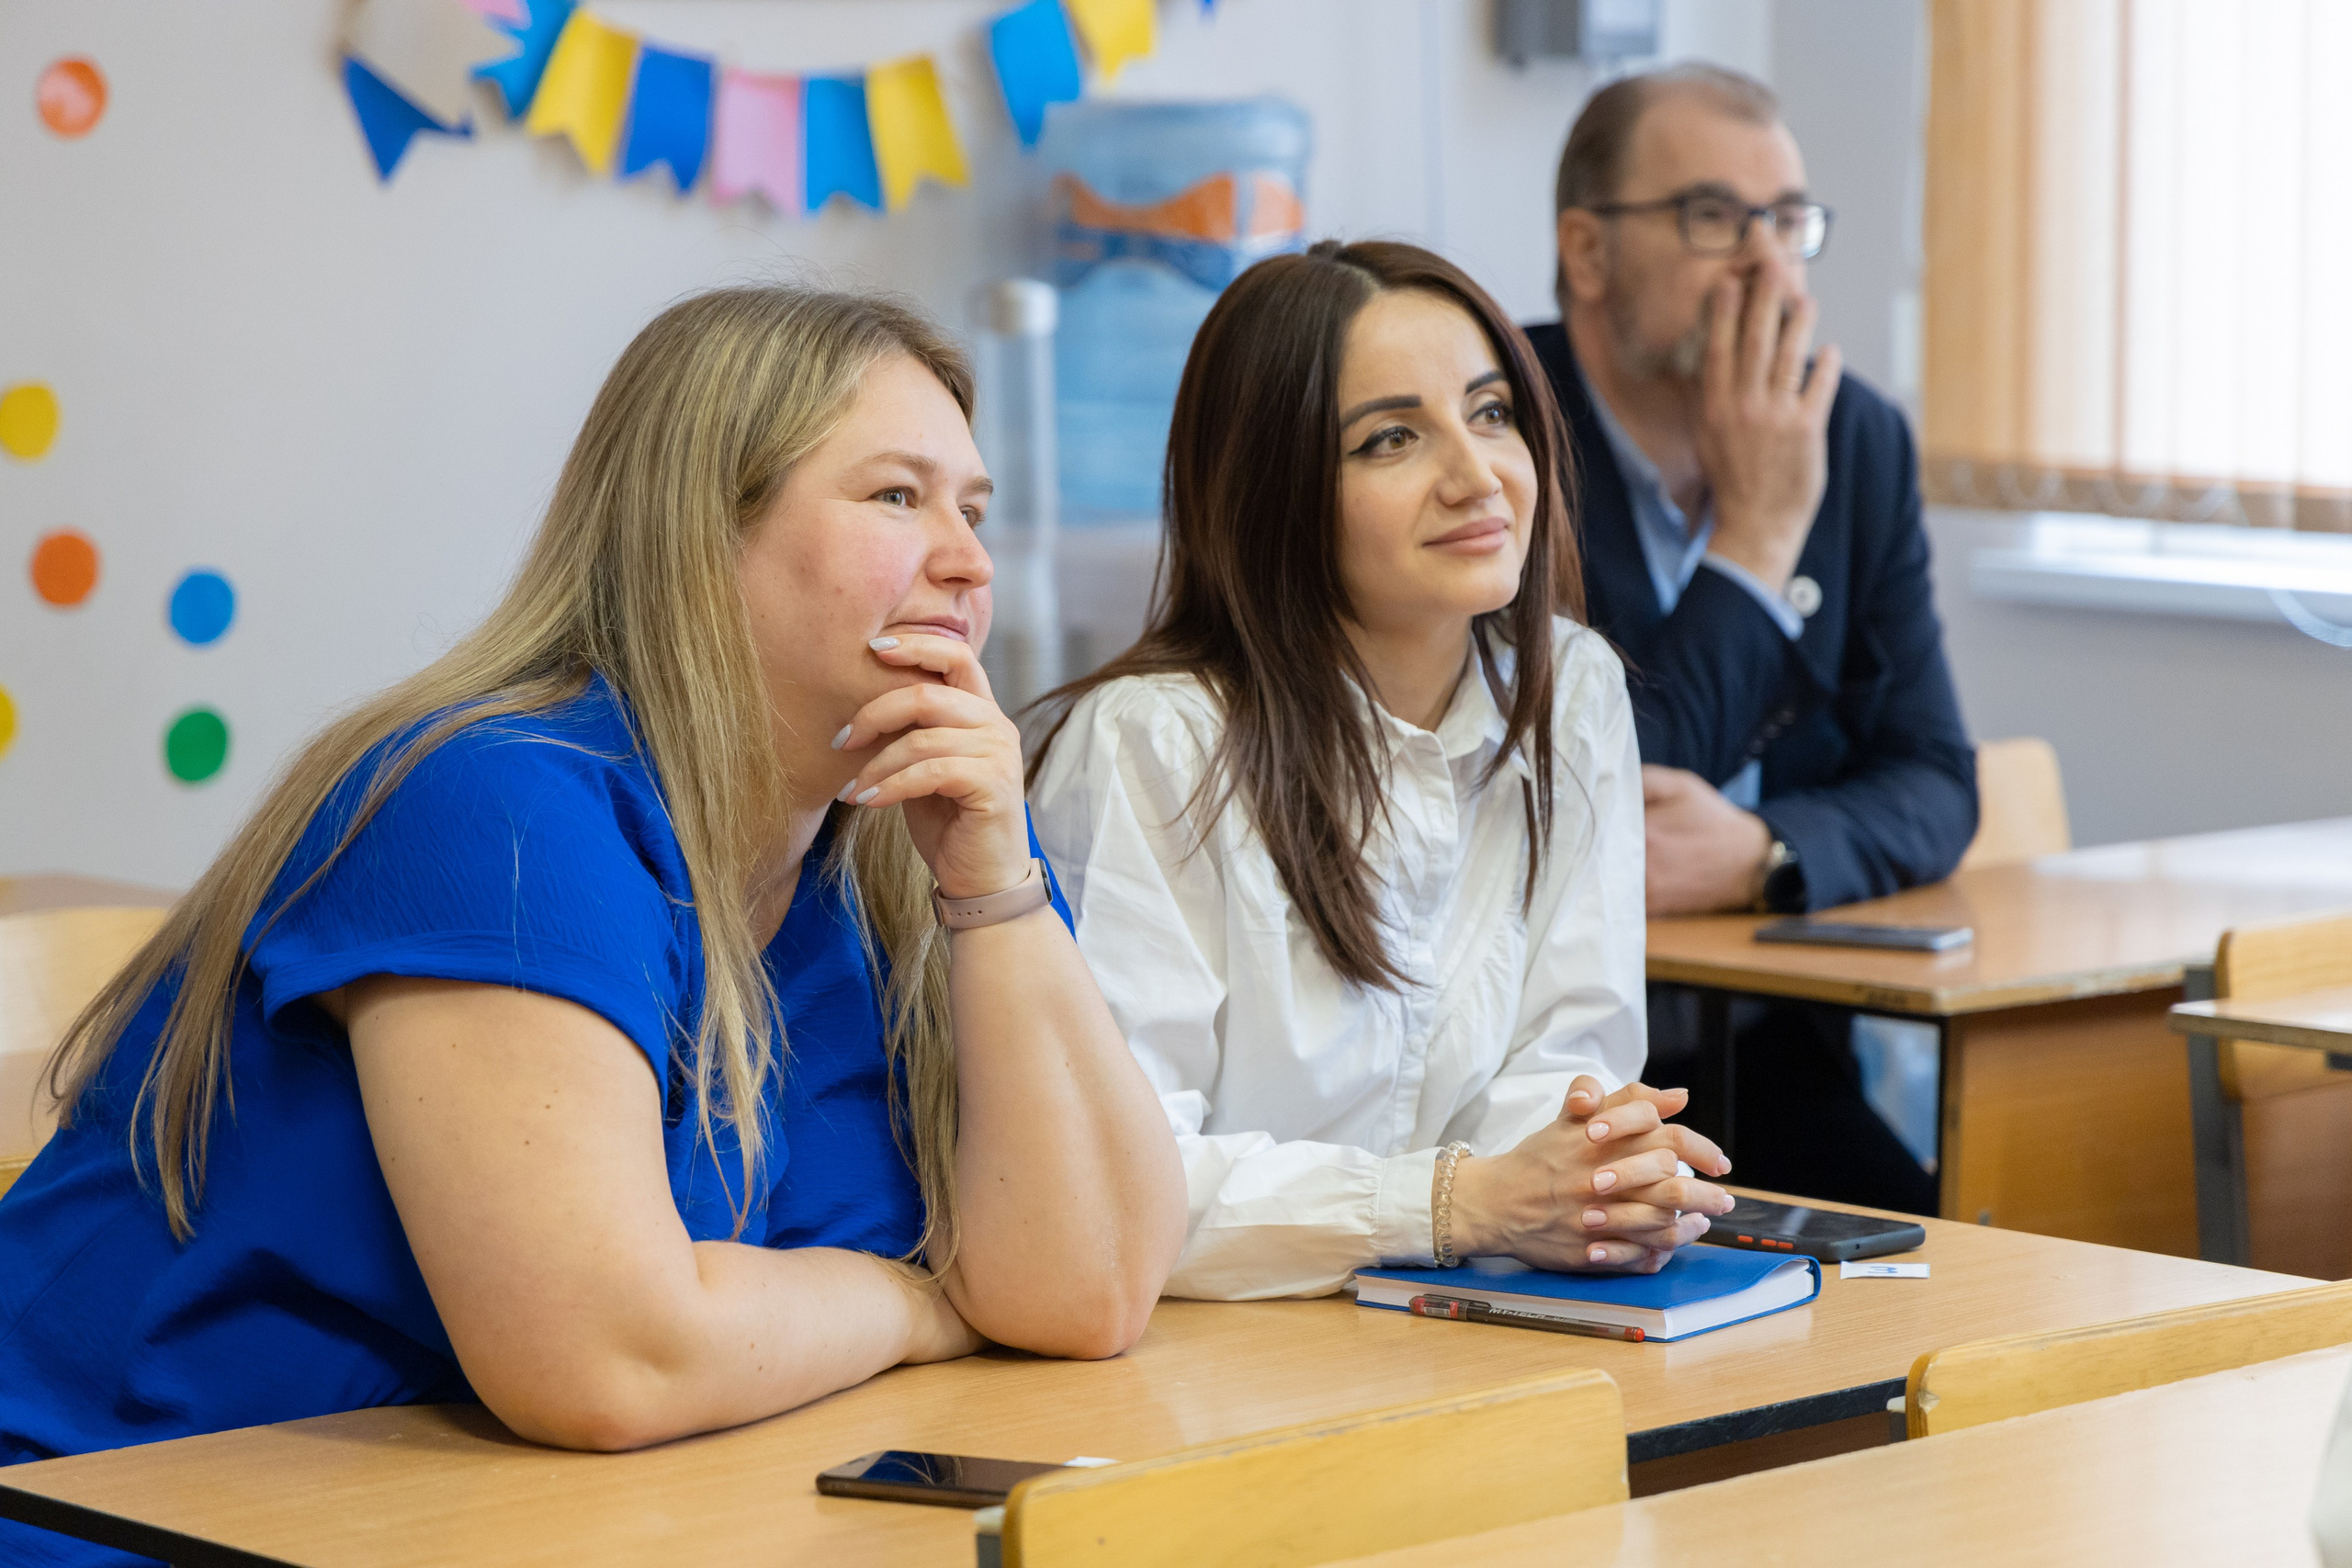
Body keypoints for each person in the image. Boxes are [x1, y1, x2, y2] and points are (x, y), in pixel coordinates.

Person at [0, 287, 1187, 1567]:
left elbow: (1089, 1288)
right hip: (126, 1520)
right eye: (897, 497)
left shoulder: (916, 842)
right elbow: (610, 1355)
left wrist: (995, 889)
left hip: (554, 1525)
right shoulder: (493, 799)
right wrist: (907, 1300)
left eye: (973, 507)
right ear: (698, 534)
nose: (967, 560)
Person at [1027, 240, 1734, 1302]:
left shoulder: (1571, 689)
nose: (1476, 474)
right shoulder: (1150, 744)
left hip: (1456, 1324)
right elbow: (1119, 1187)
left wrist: (1596, 1182)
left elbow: (1565, 1070)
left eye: (1491, 413)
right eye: (1391, 439)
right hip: (1201, 1369)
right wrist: (1462, 1205)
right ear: (1272, 491)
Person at [1524, 64, 1977, 1213]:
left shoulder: (1854, 438)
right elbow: (1601, 795)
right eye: (1714, 219)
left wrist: (1765, 852)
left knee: (1948, 1265)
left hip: (1773, 1059)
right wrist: (1760, 538)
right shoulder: (1496, 442)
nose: (1769, 265)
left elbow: (1934, 778)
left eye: (1786, 222)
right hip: (1542, 1090)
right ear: (1588, 253)